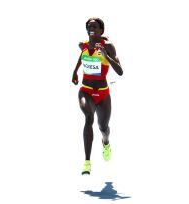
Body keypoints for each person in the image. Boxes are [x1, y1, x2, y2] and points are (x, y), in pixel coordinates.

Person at [72, 17, 123, 175]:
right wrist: (74, 71)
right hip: (86, 90)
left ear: (101, 30)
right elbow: (82, 56)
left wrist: (106, 56)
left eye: (94, 26)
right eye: (89, 26)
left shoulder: (108, 47)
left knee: (103, 127)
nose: (91, 28)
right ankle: (87, 162)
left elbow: (120, 71)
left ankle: (105, 142)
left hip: (103, 94)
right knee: (88, 118)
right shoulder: (83, 45)